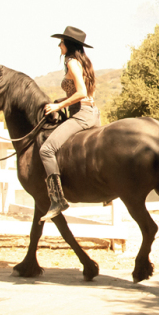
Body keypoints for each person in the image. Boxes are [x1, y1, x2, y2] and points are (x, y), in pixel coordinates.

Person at [39, 26, 99, 222]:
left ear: (68, 44)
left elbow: (81, 92)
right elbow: (88, 93)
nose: (59, 45)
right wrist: (61, 102)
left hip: (81, 114)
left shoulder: (72, 62)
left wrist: (59, 107)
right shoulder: (85, 63)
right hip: (92, 112)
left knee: (46, 150)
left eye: (62, 42)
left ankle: (57, 199)